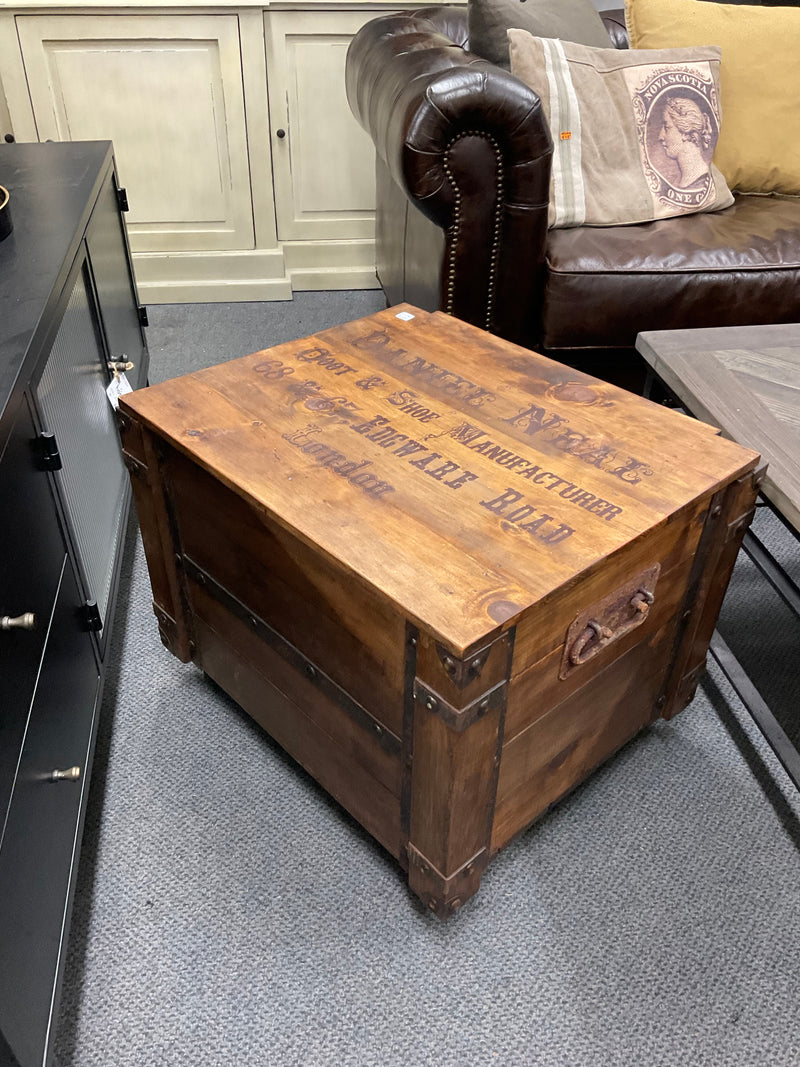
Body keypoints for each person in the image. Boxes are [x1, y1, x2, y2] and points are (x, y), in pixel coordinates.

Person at [657, 96, 714, 189]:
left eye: (667, 127)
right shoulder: (686, 182)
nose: (660, 137)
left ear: (685, 132)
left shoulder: (700, 180)